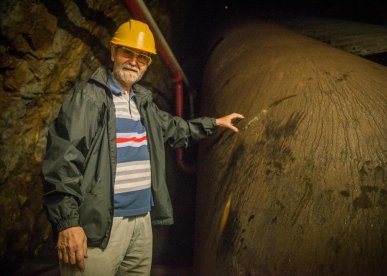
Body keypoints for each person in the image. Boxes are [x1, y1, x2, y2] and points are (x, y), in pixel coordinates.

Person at [42, 19, 243, 275]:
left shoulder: (142, 102)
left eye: (143, 57)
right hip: (100, 225)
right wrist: (68, 223)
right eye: (128, 52)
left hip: (141, 222)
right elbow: (62, 162)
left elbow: (174, 128)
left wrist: (214, 123)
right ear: (113, 51)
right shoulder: (88, 98)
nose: (134, 61)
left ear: (148, 64)